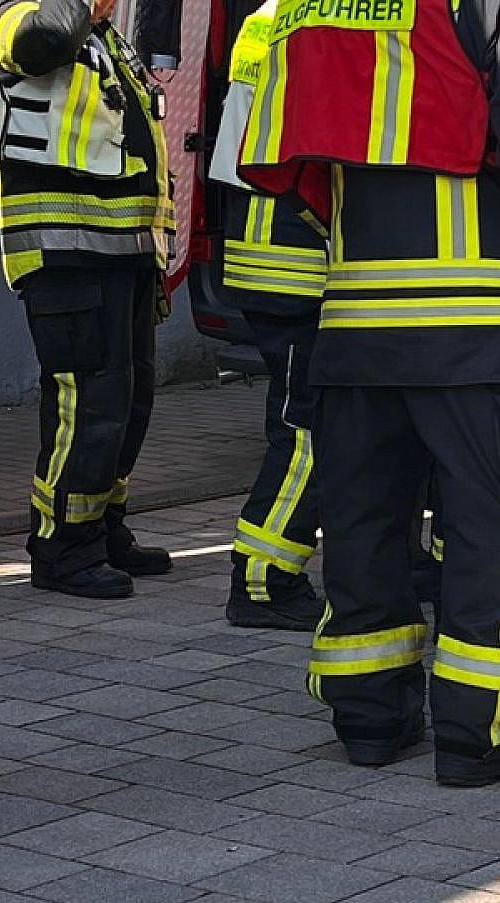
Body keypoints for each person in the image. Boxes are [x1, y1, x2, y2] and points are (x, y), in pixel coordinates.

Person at [240, 0, 500, 786]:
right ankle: (485, 731)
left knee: (362, 523)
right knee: (494, 526)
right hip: (478, 318)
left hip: (356, 318)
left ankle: (369, 716)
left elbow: (292, 159)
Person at [0, 0, 176, 600]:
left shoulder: (103, 35)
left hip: (125, 245)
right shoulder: (3, 12)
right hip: (65, 246)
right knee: (87, 401)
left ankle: (102, 527)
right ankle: (63, 546)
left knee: (128, 399)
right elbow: (40, 42)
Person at [209, 0, 327, 631]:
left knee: (317, 424)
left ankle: (403, 559)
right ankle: (262, 578)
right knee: (306, 432)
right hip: (300, 263)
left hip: (270, 255)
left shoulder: (268, 16)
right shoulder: (325, 19)